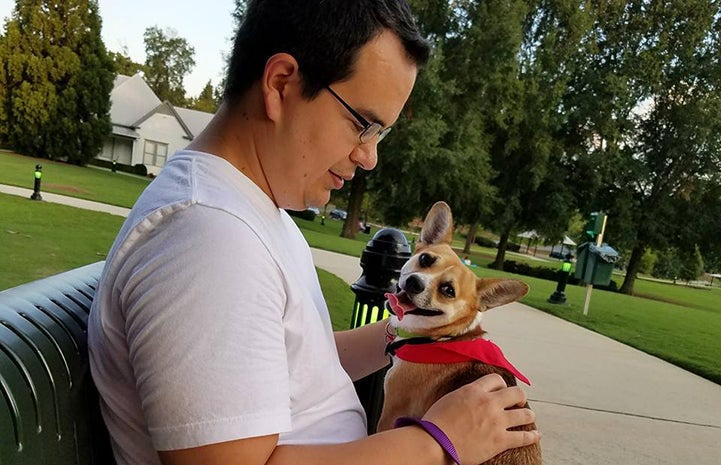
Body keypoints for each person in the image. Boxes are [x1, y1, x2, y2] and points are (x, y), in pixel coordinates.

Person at [88, 1, 540, 464]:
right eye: (363, 125)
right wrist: (439, 440)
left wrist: (419, 333)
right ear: (281, 84)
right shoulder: (210, 241)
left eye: (379, 135)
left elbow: (300, 367)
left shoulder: (252, 214)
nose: (369, 157)